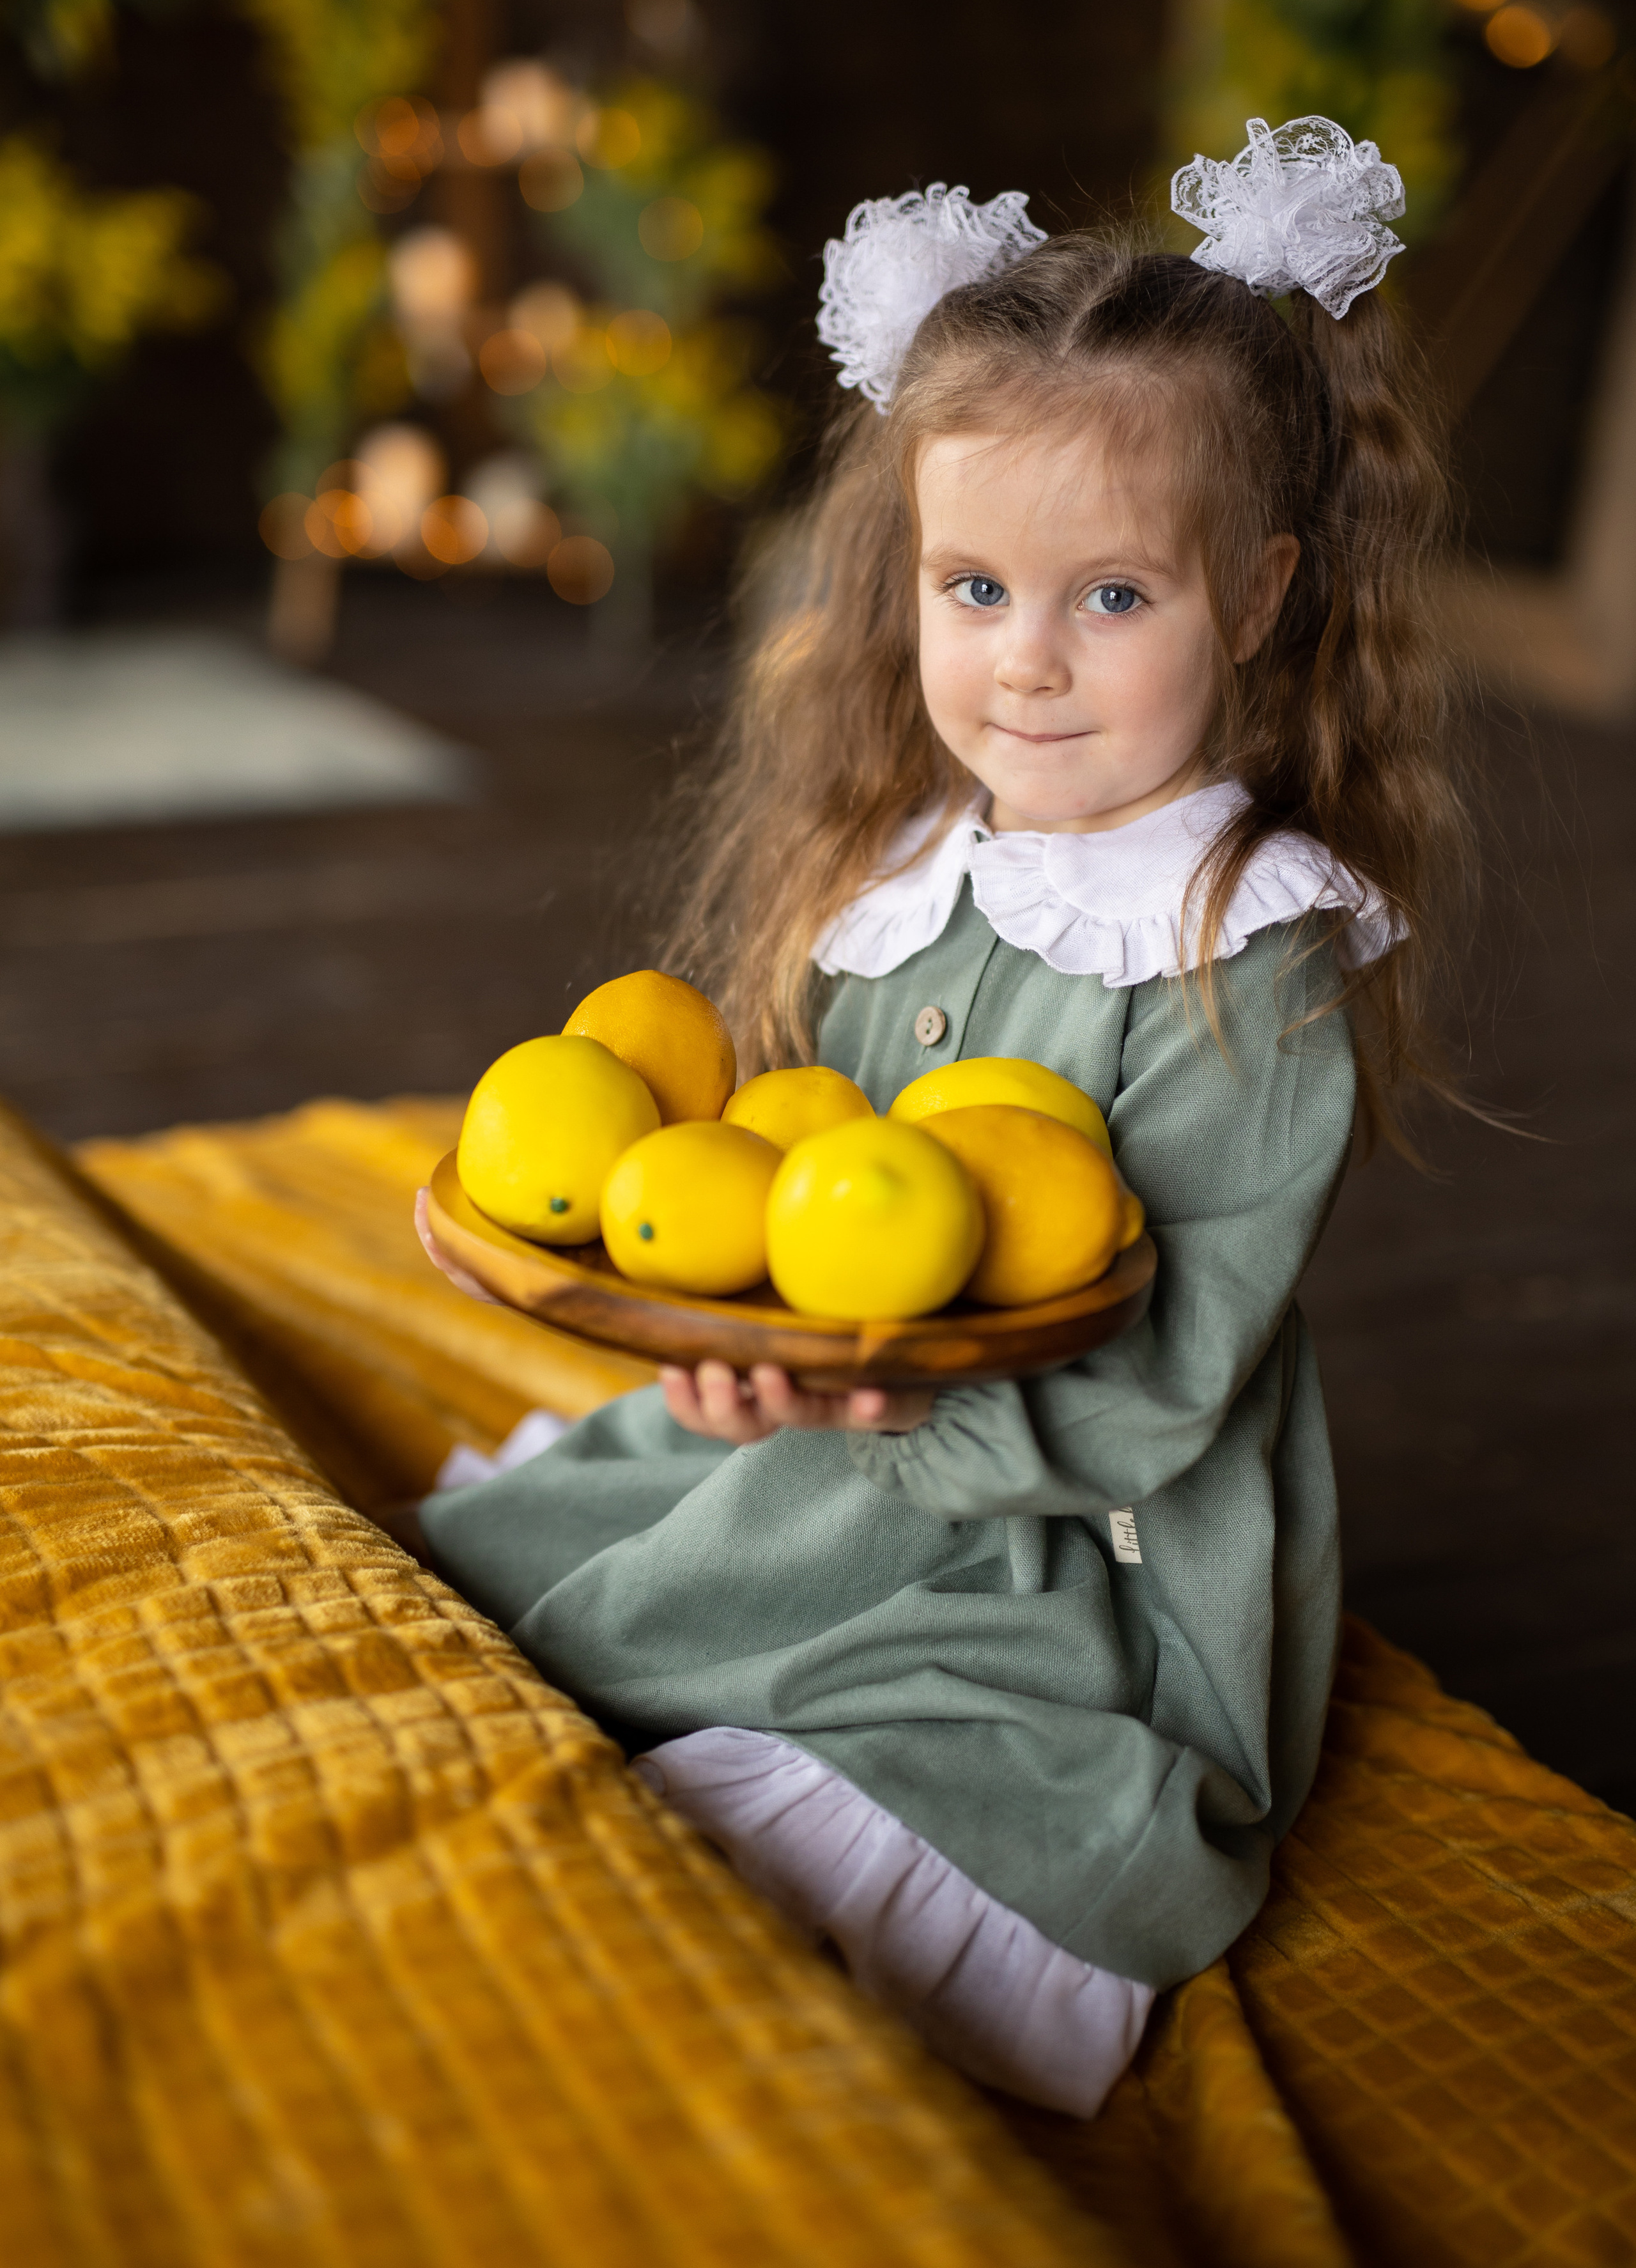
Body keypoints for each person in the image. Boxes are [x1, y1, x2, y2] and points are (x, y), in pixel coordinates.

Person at [410, 116, 1470, 2117]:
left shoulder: (1254, 950)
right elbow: (802, 1179)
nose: (1028, 662)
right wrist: (745, 1347)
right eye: (974, 583)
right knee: (512, 1575)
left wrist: (858, 1402)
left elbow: (1162, 1385)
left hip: (1073, 1533)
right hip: (845, 1429)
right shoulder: (912, 875)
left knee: (805, 1785)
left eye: (1115, 597)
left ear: (1256, 596)